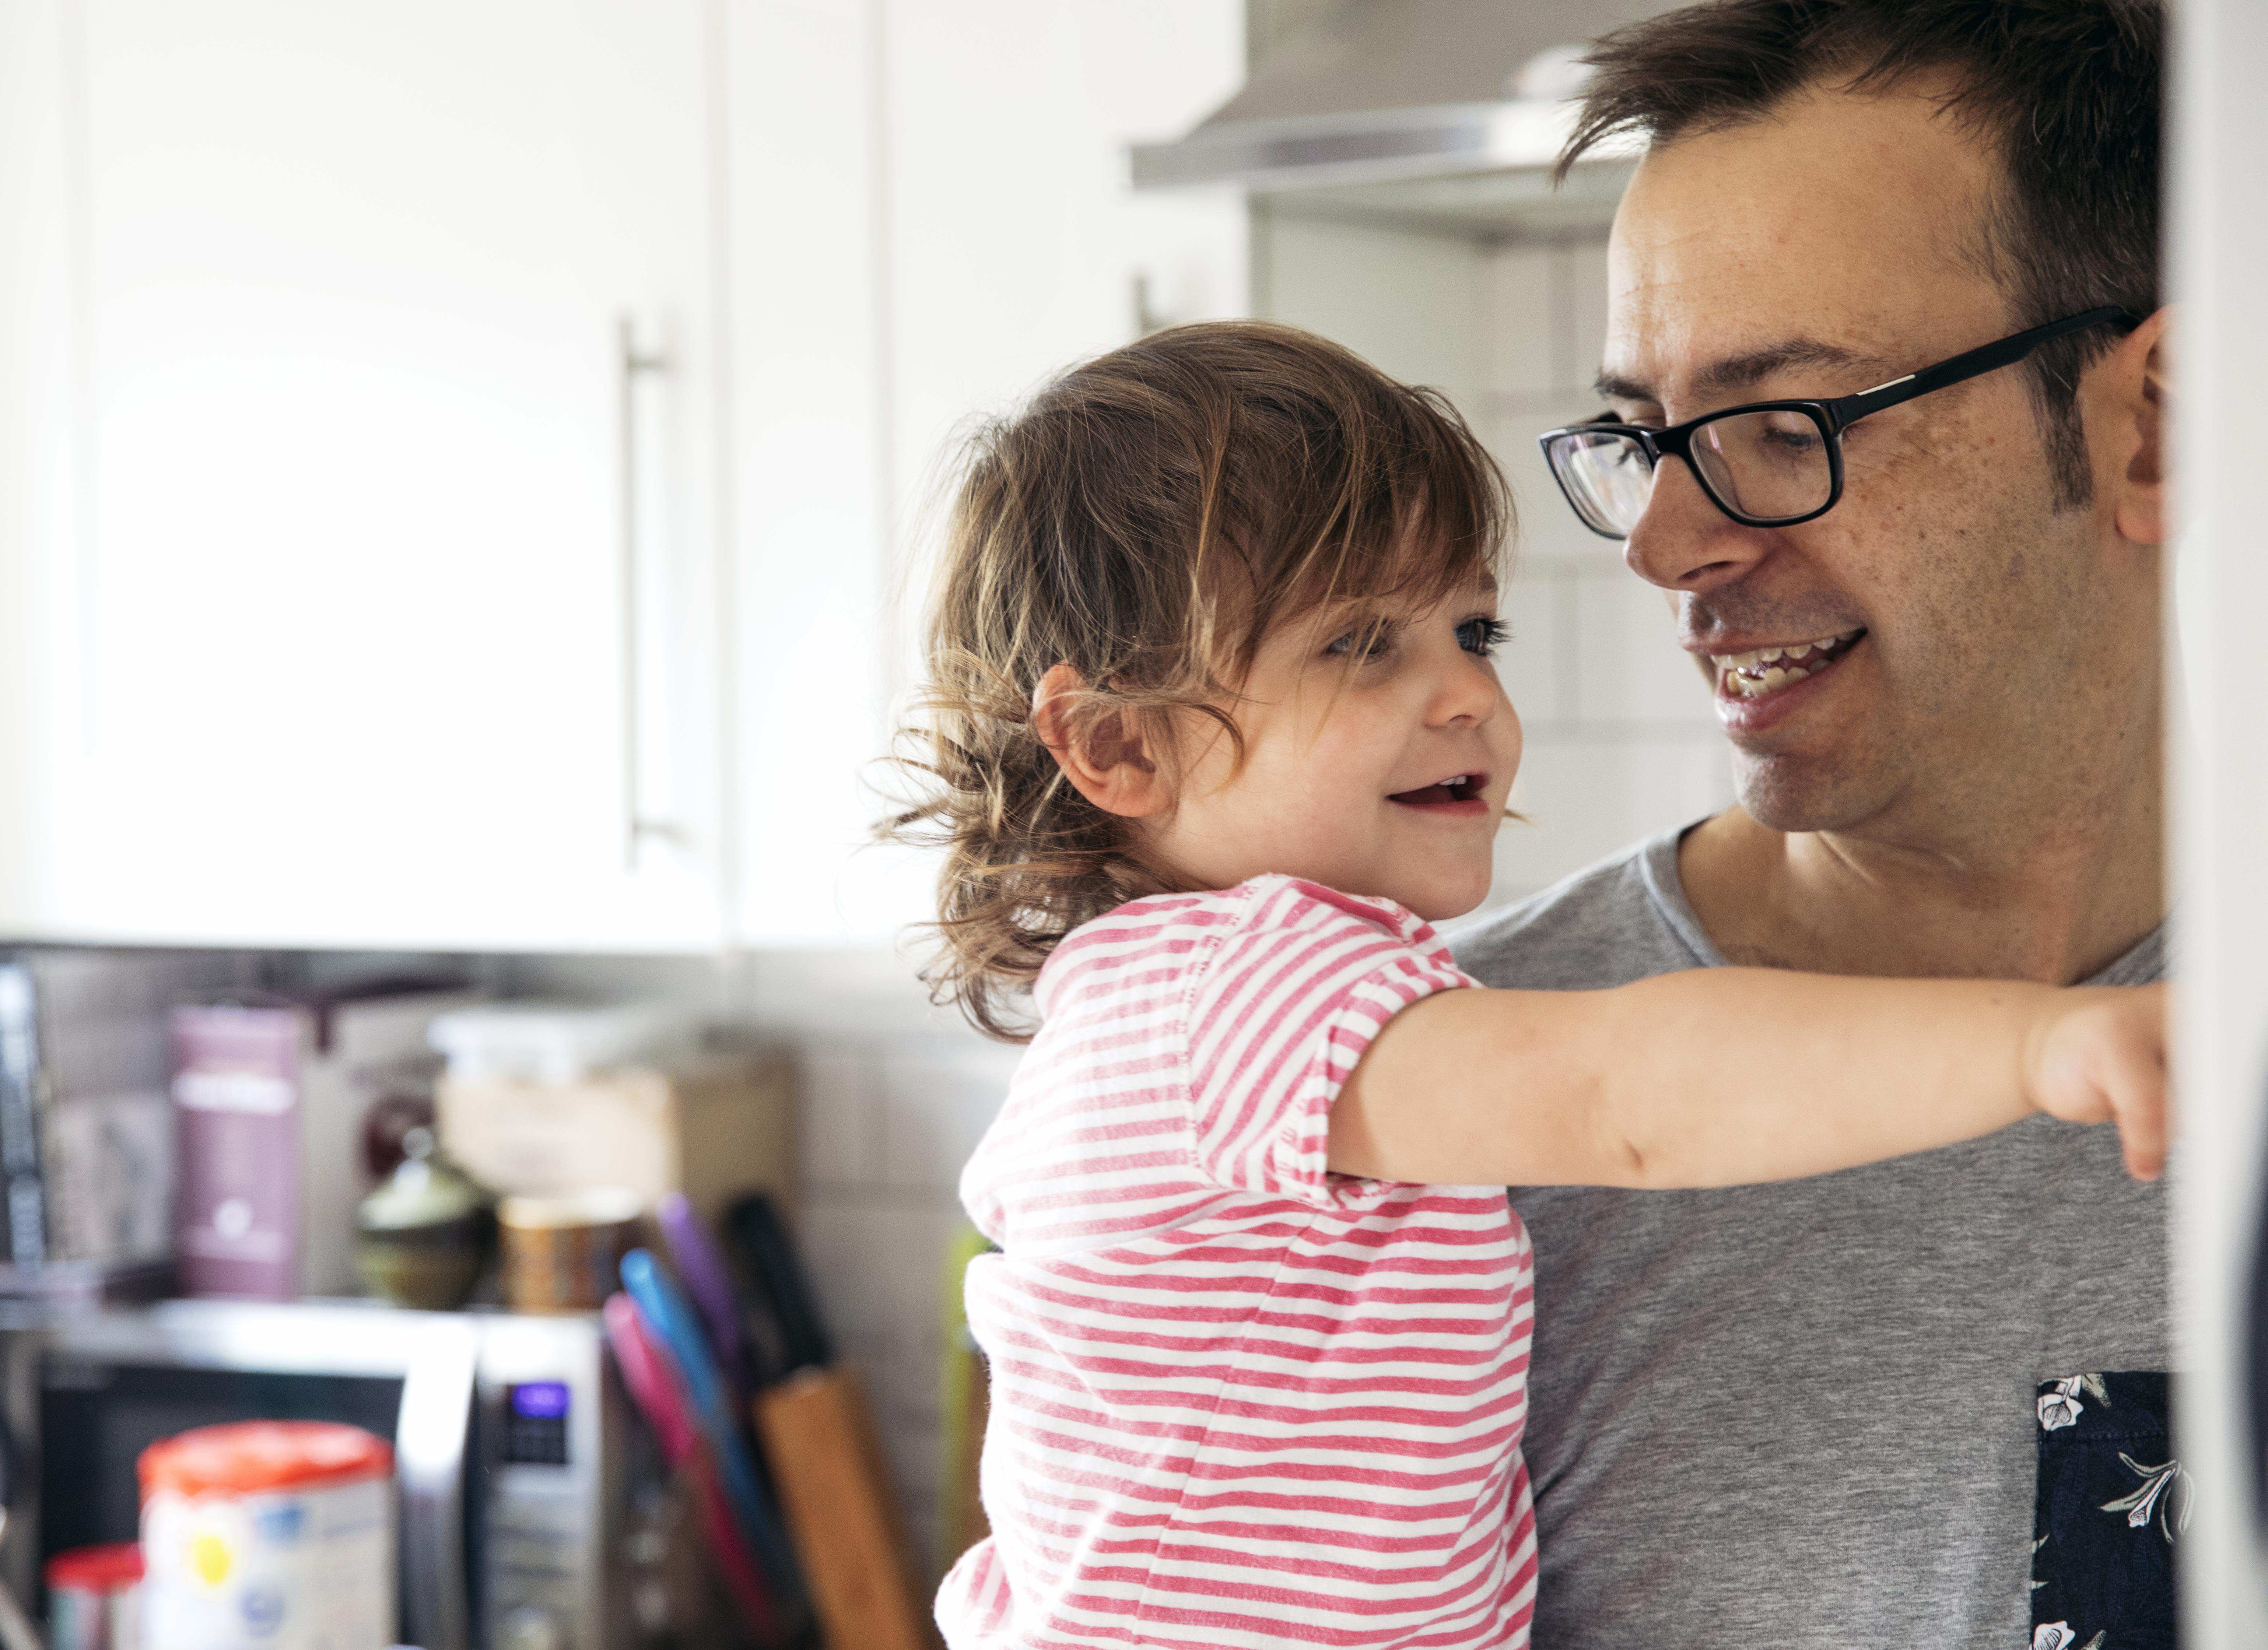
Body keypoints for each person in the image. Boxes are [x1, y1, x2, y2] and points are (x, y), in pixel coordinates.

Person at [892, 319, 2167, 1650]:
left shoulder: (1196, 1003)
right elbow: (1629, 1095)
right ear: (1117, 745)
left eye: (1472, 628)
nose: (1464, 697)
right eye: (1359, 645)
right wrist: (2035, 1048)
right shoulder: (1236, 993)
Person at [1454, 2, 2171, 1645]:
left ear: (2149, 423)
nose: (1668, 546)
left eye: (1790, 427)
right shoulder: (1443, 1099)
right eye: (1646, 440)